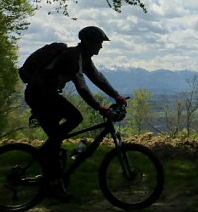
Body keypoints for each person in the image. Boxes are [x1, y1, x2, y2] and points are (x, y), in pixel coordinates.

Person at [24, 25, 127, 201]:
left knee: (59, 136)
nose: (100, 47)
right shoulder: (74, 56)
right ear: (88, 42)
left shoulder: (83, 57)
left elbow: (97, 78)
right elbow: (81, 85)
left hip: (45, 95)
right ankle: (53, 183)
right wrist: (99, 107)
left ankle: (51, 157)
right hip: (40, 95)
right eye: (99, 43)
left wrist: (116, 95)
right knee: (73, 119)